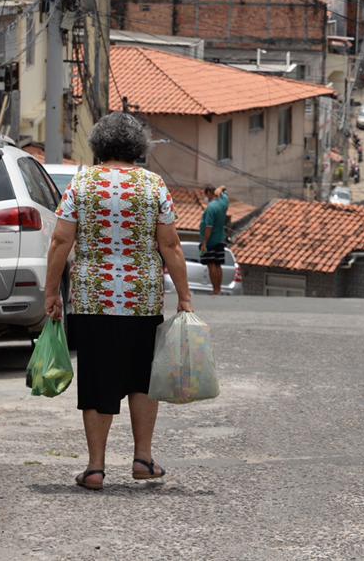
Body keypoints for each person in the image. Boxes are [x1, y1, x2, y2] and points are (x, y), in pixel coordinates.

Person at [43, 113, 192, 492]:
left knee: (97, 379)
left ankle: (95, 468)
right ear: (137, 148)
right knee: (142, 378)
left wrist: (51, 293)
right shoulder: (153, 186)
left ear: (99, 145)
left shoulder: (82, 184)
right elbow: (170, 245)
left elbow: (61, 242)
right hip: (142, 300)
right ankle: (143, 459)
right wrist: (185, 295)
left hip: (93, 299)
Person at [199, 185, 229, 295]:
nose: (205, 197)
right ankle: (218, 289)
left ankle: (215, 290)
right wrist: (220, 189)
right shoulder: (224, 201)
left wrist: (205, 243)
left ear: (209, 193)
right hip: (221, 238)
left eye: (205, 194)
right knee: (218, 264)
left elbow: (208, 227)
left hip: (210, 240)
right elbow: (224, 188)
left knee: (211, 264)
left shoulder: (211, 208)